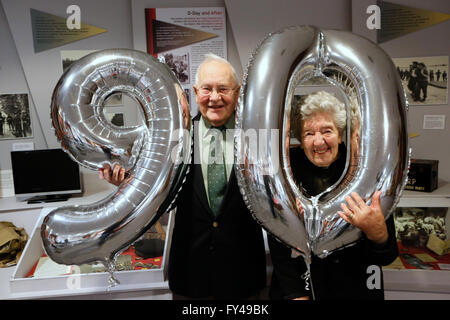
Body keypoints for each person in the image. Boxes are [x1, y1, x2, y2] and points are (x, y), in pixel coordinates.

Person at [99, 53, 266, 299]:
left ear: (238, 92)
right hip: (190, 273)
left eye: (223, 89)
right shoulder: (175, 138)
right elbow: (156, 192)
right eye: (207, 89)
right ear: (196, 92)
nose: (215, 98)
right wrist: (125, 183)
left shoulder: (257, 139)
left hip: (243, 276)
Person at [268, 91, 398, 300]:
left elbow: (387, 256)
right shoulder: (286, 173)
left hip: (355, 290)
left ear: (340, 133)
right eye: (309, 134)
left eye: (327, 131)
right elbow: (279, 245)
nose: (318, 142)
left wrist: (378, 234)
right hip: (300, 289)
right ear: (301, 140)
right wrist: (296, 294)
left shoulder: (365, 171)